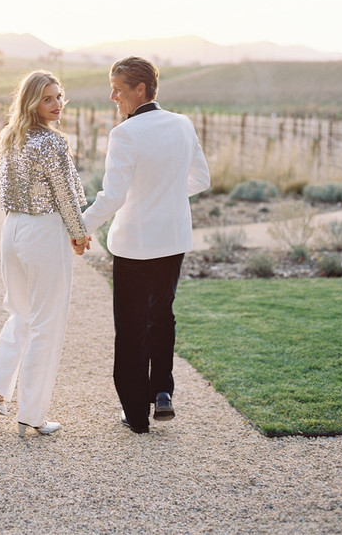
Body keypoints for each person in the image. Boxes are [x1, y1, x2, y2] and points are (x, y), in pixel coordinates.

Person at [76, 56, 210, 434]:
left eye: (118, 89)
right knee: (162, 314)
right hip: (173, 240)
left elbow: (112, 197)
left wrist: (79, 227)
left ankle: (136, 415)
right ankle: (163, 390)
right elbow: (201, 178)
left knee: (131, 327)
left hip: (135, 245)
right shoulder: (183, 124)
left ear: (141, 89)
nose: (112, 96)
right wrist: (165, 195)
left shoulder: (125, 134)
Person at [0, 70, 89, 437]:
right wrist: (79, 234)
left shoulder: (10, 137)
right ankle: (32, 414)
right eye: (48, 98)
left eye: (59, 96)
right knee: (47, 322)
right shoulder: (51, 142)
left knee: (20, 313)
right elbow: (66, 193)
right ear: (31, 102)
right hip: (43, 231)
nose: (57, 104)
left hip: (12, 230)